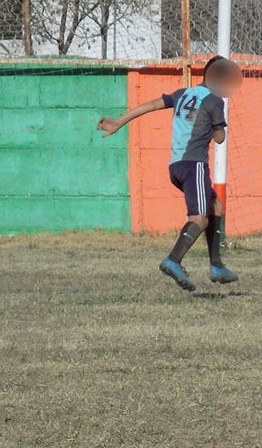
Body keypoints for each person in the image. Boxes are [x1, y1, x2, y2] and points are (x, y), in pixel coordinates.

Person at [97, 56, 242, 291]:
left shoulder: (184, 93)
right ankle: (173, 260)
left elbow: (152, 105)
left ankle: (216, 265)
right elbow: (219, 138)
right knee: (199, 218)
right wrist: (218, 126)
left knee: (216, 205)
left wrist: (119, 122)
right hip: (194, 165)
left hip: (175, 166)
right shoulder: (215, 101)